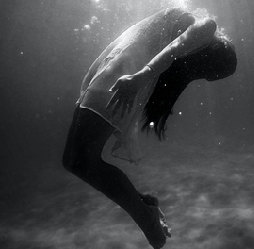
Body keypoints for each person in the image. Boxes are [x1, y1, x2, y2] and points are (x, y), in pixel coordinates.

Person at [62, 7, 236, 249]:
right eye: (207, 72)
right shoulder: (207, 27)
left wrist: (139, 76)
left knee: (78, 160)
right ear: (216, 55)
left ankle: (144, 215)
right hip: (125, 71)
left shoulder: (190, 30)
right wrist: (140, 76)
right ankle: (144, 208)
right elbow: (175, 48)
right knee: (73, 160)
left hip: (125, 71)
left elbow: (169, 48)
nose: (198, 73)